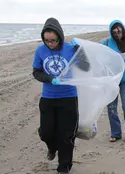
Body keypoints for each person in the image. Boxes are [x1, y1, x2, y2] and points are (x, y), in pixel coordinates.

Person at [32, 17, 89, 174]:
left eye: (54, 40)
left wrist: (80, 52)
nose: (51, 44)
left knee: (67, 135)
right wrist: (50, 79)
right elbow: (36, 72)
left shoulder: (70, 49)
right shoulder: (40, 51)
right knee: (46, 132)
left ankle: (64, 168)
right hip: (48, 98)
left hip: (69, 97)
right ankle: (52, 147)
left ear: (60, 36)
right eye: (47, 41)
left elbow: (86, 67)